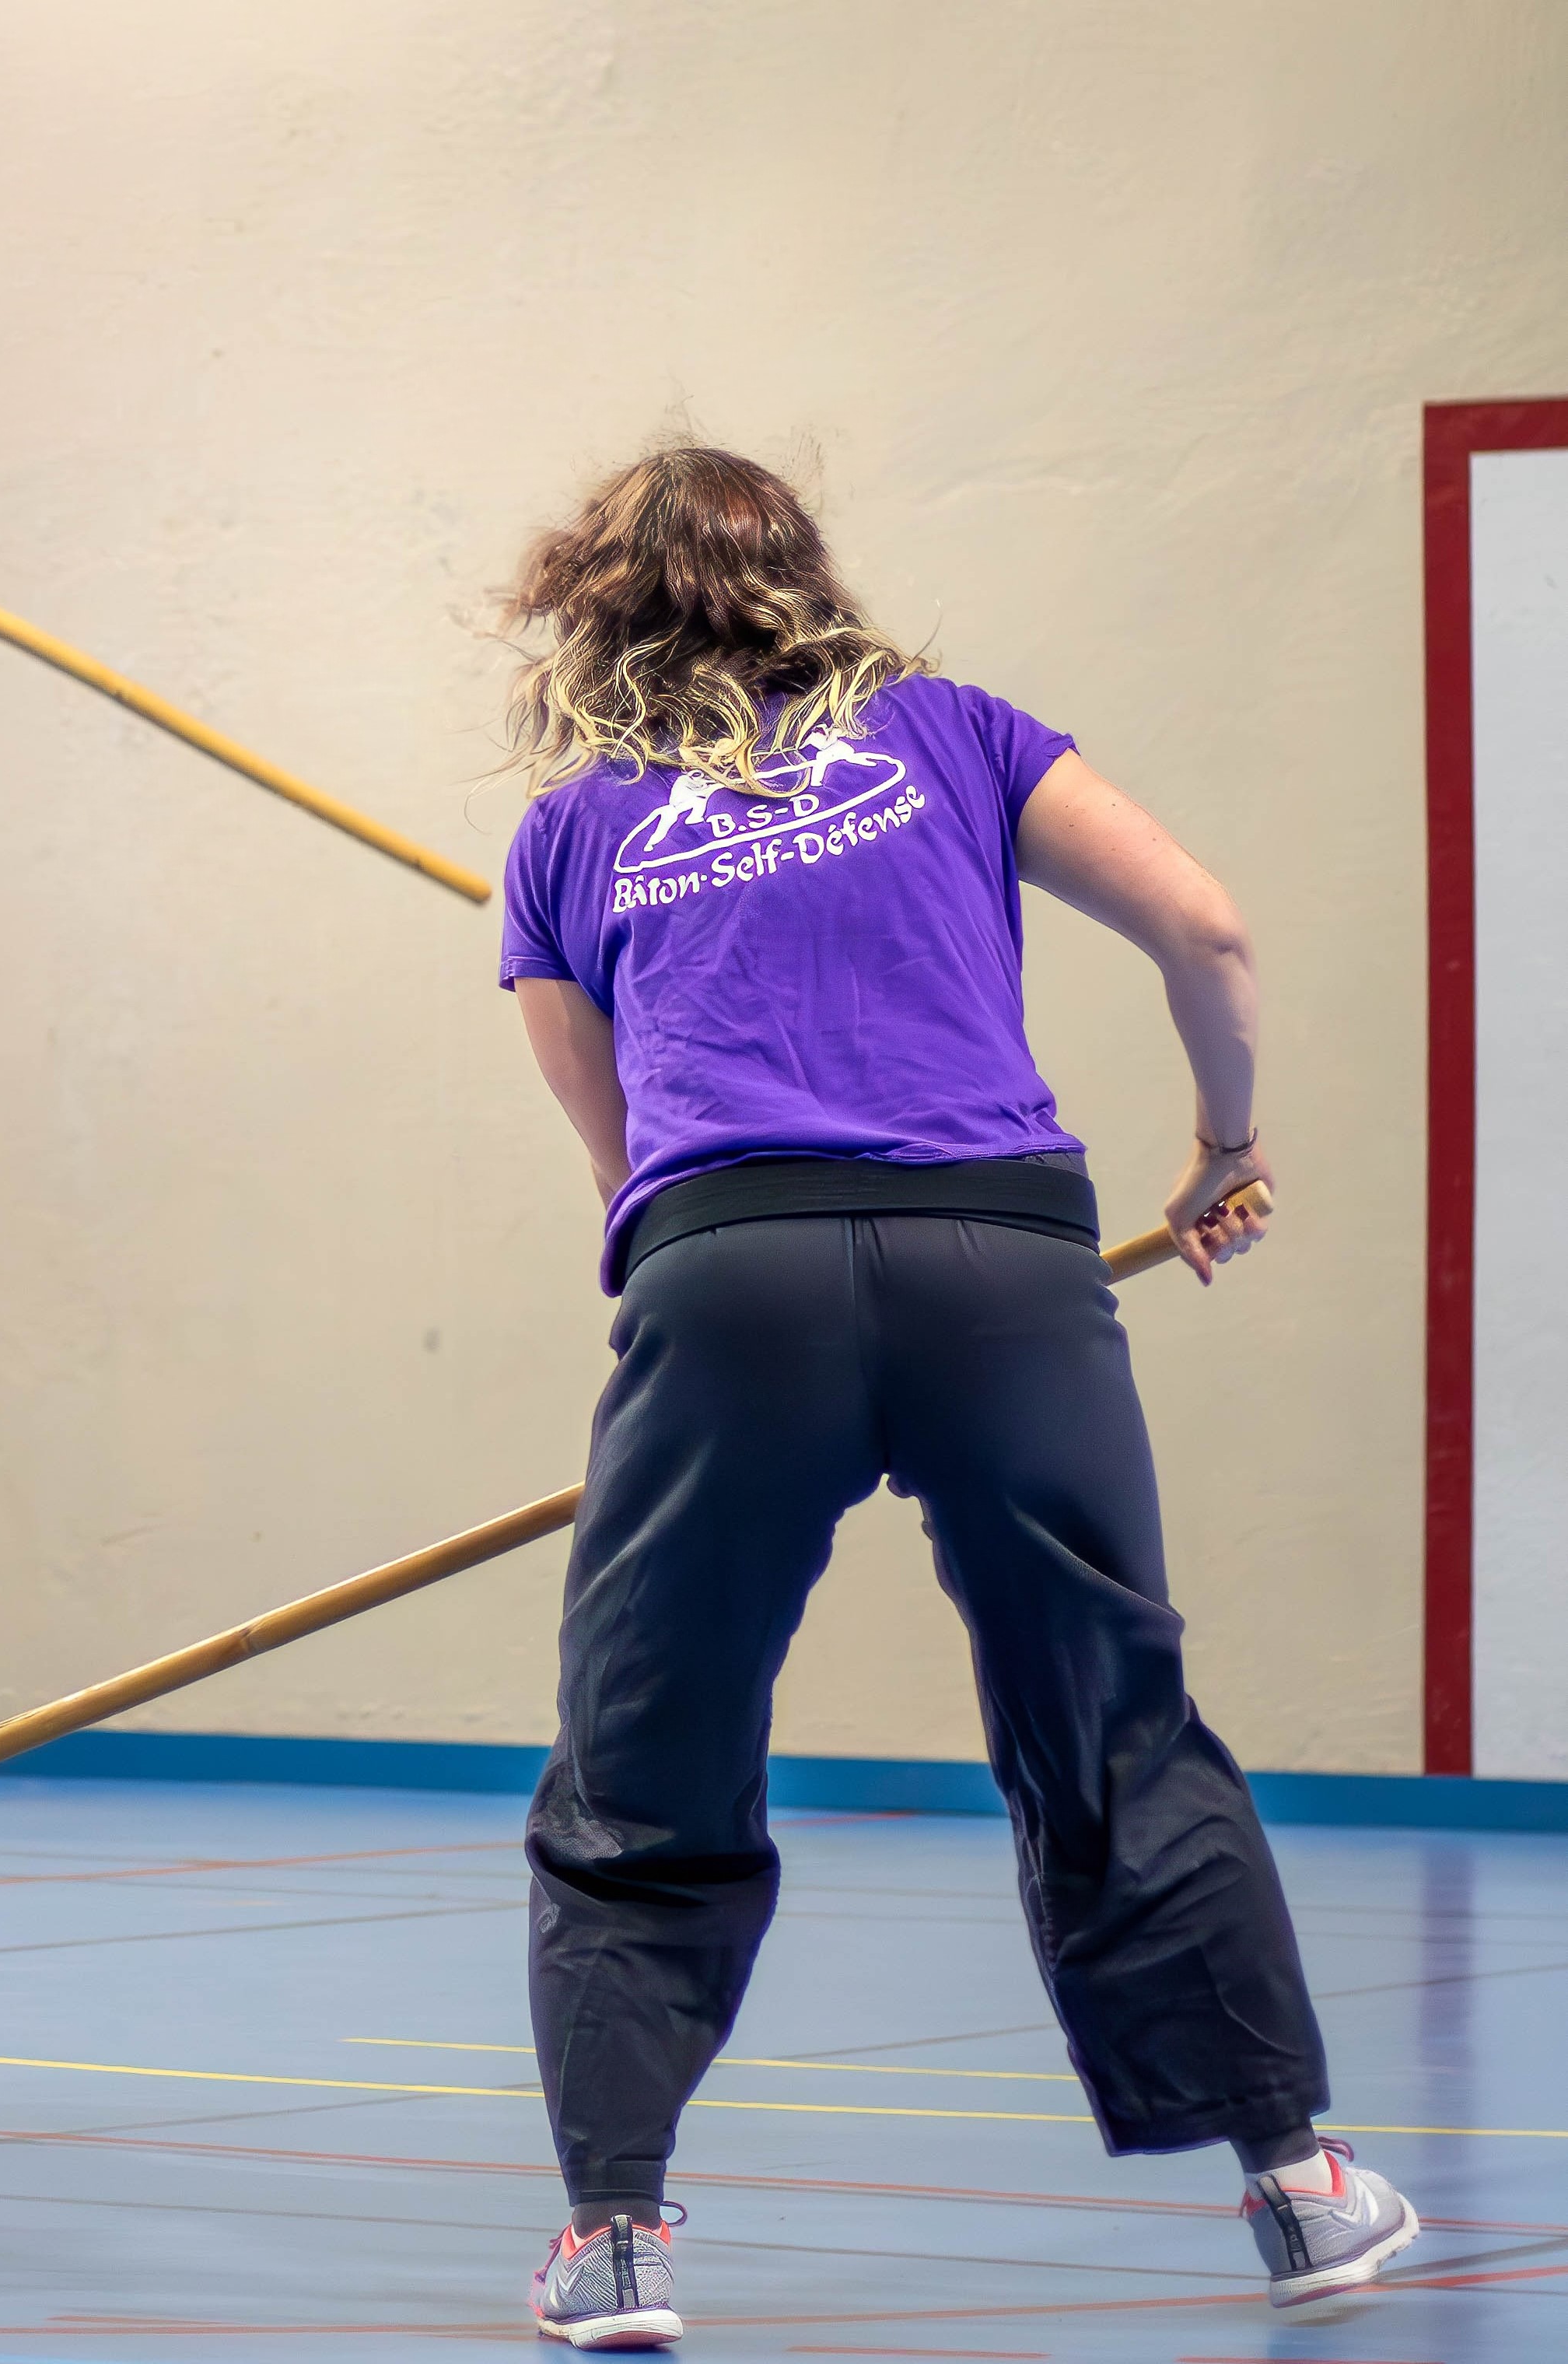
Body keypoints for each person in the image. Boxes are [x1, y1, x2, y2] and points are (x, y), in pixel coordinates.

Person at [493, 447, 1416, 2348]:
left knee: (647, 1736)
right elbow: (1208, 929)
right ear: (804, 570)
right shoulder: (956, 731)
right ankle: (1301, 2185)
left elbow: (618, 1162)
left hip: (727, 1273)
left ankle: (615, 2233)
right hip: (1005, 1269)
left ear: (593, 603)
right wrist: (1222, 1142)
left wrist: (724, 1307)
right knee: (1111, 1712)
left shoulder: (568, 832)